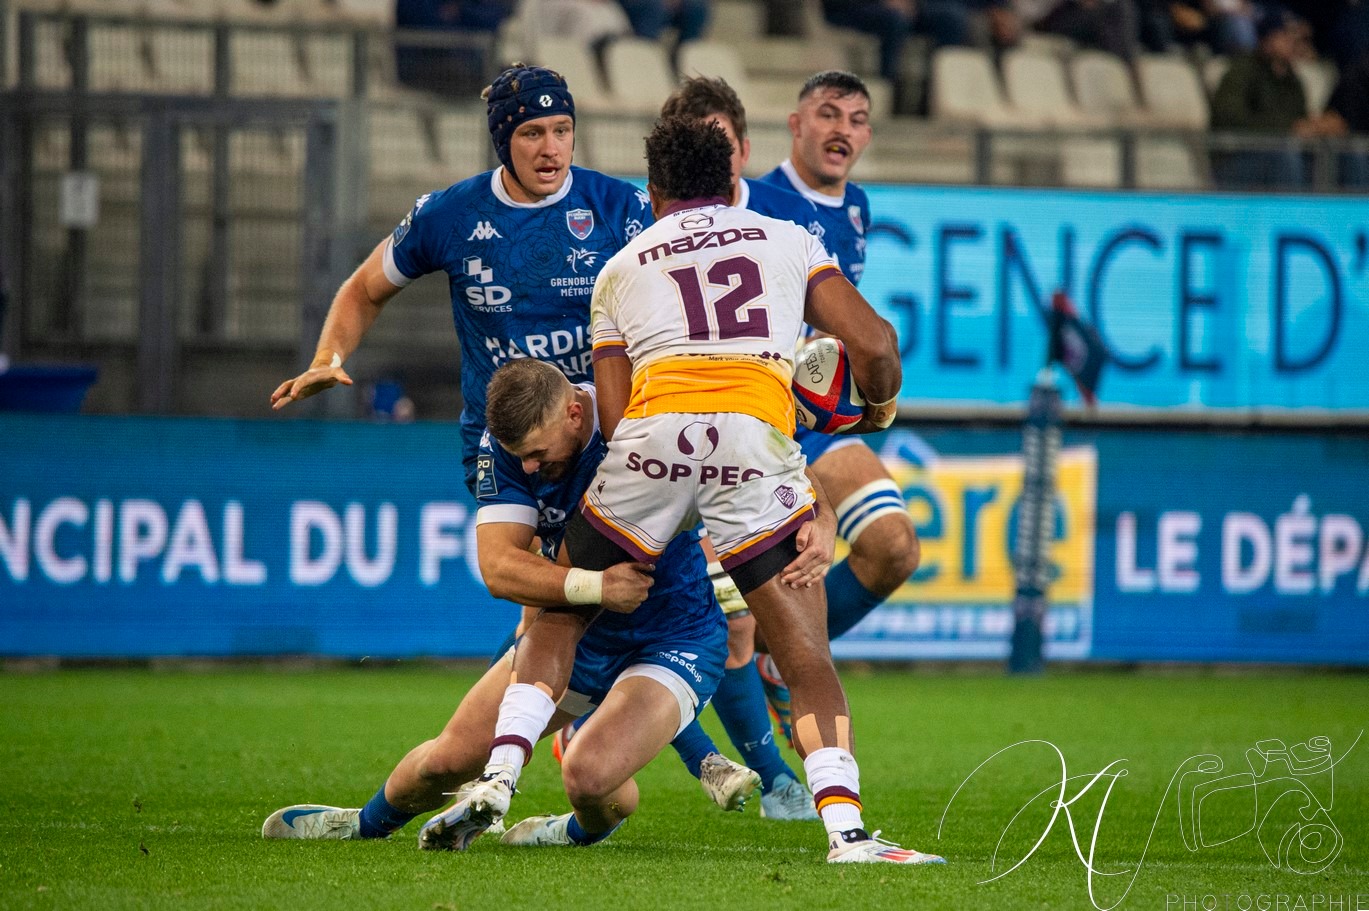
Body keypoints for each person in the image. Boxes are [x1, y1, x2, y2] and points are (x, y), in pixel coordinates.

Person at [459, 116, 944, 865]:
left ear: (652, 194)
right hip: (753, 437)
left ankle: (499, 775)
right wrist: (874, 409)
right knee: (802, 651)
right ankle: (846, 833)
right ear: (730, 179)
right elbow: (874, 342)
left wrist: (669, 495)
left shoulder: (621, 267)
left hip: (651, 439)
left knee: (557, 612)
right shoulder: (786, 238)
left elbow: (615, 418)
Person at [262, 359, 758, 847]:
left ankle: (564, 831)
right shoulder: (504, 448)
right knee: (447, 762)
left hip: (676, 634)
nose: (529, 467)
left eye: (538, 452)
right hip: (576, 627)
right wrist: (597, 587)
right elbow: (499, 568)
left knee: (589, 778)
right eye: (518, 455)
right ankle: (361, 825)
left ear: (574, 414)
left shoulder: (636, 423)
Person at [270, 62, 651, 496]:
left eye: (562, 130)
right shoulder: (449, 215)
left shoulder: (622, 208)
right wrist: (327, 358)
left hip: (602, 438)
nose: (552, 149)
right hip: (506, 445)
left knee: (587, 565)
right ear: (503, 141)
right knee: (508, 563)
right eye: (532, 133)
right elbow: (363, 290)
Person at [756, 70, 921, 745]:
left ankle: (776, 657)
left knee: (893, 548)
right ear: (795, 125)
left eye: (855, 119)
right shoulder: (757, 200)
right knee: (697, 594)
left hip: (817, 424)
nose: (841, 130)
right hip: (755, 420)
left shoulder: (855, 207)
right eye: (827, 114)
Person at [1210, 8, 1315, 189]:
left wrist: (1314, 128)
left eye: (1295, 37)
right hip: (1237, 159)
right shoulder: (1242, 71)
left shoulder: (1293, 80)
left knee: (1329, 157)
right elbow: (1229, 120)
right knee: (1286, 155)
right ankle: (1290, 214)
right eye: (1285, 36)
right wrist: (1287, 129)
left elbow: (1300, 121)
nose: (1292, 42)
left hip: (1281, 153)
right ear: (1267, 39)